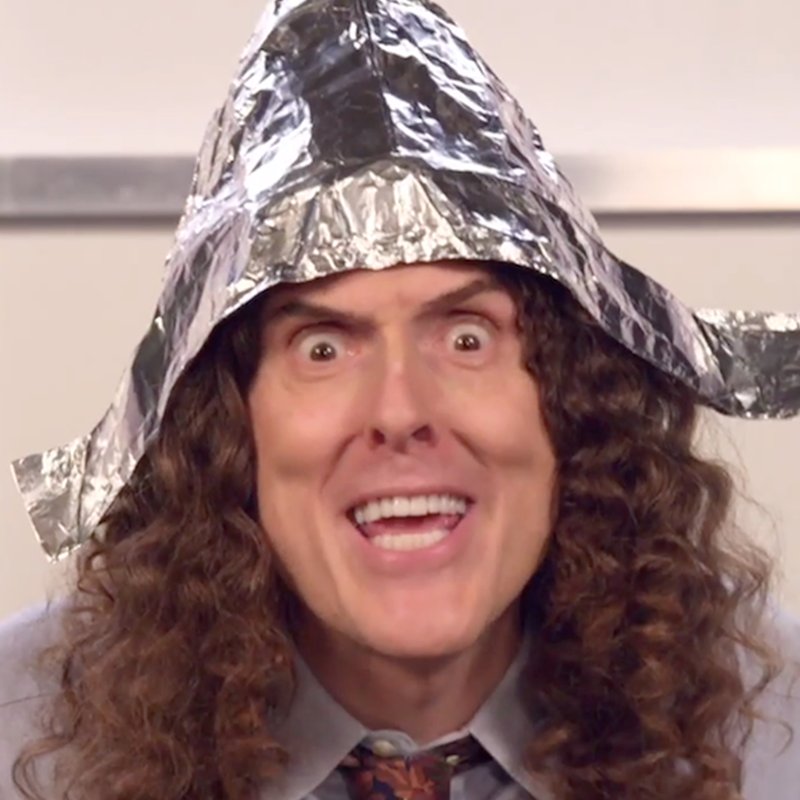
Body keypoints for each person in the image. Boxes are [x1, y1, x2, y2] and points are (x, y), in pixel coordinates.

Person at [2, 1, 799, 799]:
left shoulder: (774, 734)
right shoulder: (21, 733)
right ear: (228, 432)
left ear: (573, 405)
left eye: (467, 338)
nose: (399, 410)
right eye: (323, 348)